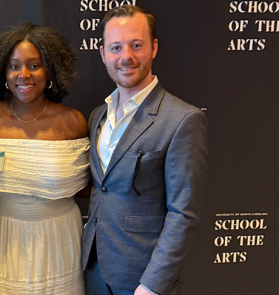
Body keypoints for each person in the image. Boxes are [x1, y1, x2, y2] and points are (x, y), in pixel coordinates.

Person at [81, 5, 208, 295]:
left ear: (153, 47)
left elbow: (183, 213)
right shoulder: (97, 116)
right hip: (92, 271)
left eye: (136, 45)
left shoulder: (183, 120)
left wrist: (152, 286)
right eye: (116, 47)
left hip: (141, 280)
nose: (126, 56)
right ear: (103, 54)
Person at [0, 23, 90, 294]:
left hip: (59, 241)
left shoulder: (74, 122)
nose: (23, 75)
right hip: (1, 240)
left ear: (50, 70)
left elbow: (86, 187)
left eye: (34, 65)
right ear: (3, 72)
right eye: (14, 66)